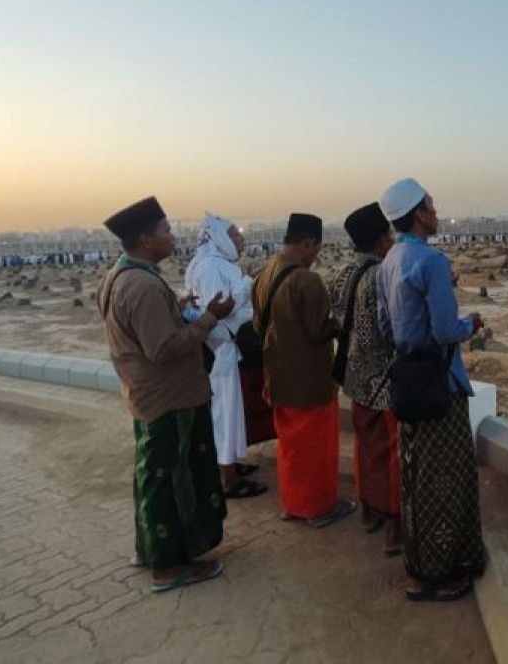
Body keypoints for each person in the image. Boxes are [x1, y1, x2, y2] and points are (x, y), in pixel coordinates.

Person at [97, 196, 232, 593]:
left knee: (152, 476)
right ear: (145, 238)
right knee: (172, 481)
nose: (172, 237)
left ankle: (152, 549)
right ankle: (170, 566)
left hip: (147, 396)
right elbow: (163, 348)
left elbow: (141, 331)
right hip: (169, 400)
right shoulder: (141, 285)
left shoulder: (121, 275)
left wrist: (177, 306)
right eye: (166, 231)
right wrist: (210, 318)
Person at [376, 178, 485, 602]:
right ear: (420, 214)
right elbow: (444, 329)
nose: (437, 212)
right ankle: (438, 574)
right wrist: (471, 323)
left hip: (408, 383)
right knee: (448, 477)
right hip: (440, 384)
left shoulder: (389, 261)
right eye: (432, 205)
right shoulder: (431, 262)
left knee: (417, 477)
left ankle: (419, 563)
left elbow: (387, 328)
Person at [253, 213, 356, 529]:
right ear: (307, 243)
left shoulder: (264, 273)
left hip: (278, 377)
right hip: (309, 382)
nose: (315, 256)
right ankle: (317, 508)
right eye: (316, 249)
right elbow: (318, 330)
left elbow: (258, 323)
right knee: (315, 448)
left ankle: (293, 504)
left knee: (290, 447)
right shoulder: (307, 281)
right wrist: (340, 322)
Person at [329, 203, 401, 557]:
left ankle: (369, 512)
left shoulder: (342, 276)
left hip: (354, 381)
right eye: (389, 236)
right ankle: (394, 525)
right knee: (392, 454)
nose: (392, 241)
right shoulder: (383, 276)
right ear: (379, 242)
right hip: (385, 383)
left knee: (366, 448)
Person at [184, 214, 266, 499]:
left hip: (228, 350)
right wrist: (251, 283)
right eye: (235, 235)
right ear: (219, 239)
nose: (241, 239)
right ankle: (228, 478)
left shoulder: (218, 264)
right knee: (224, 414)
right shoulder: (209, 267)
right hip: (221, 351)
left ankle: (230, 463)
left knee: (231, 412)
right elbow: (220, 308)